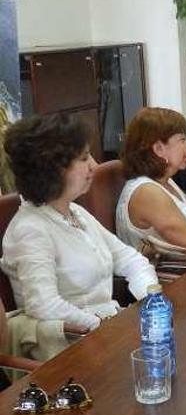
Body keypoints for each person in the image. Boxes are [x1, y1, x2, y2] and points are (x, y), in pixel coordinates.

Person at [1, 114, 158, 332]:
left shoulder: (75, 211)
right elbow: (43, 305)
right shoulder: (30, 229)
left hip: (109, 329)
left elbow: (130, 259)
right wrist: (99, 325)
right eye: (84, 158)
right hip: (73, 346)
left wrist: (151, 299)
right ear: (54, 169)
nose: (94, 165)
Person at [116, 107, 186, 256]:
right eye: (182, 140)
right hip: (179, 275)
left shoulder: (166, 182)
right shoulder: (147, 192)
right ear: (159, 149)